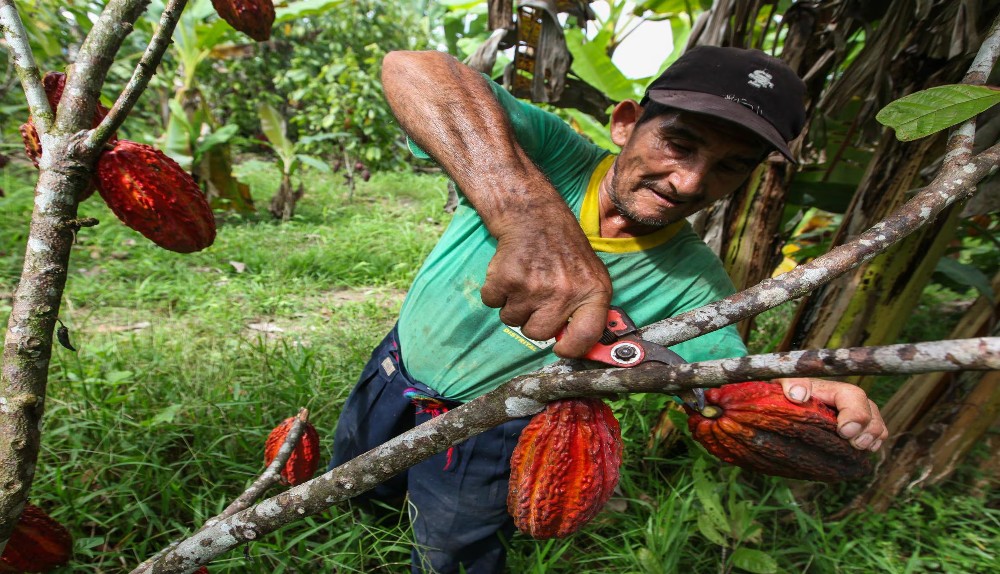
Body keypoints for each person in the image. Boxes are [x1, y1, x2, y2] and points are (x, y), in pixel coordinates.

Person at [330, 45, 889, 574]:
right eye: (680, 143)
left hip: (492, 435)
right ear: (626, 123)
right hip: (395, 369)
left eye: (729, 167)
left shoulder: (695, 284)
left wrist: (803, 397)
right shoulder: (551, 157)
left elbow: (718, 386)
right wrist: (530, 217)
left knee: (451, 548)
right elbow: (413, 68)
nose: (690, 181)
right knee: (352, 492)